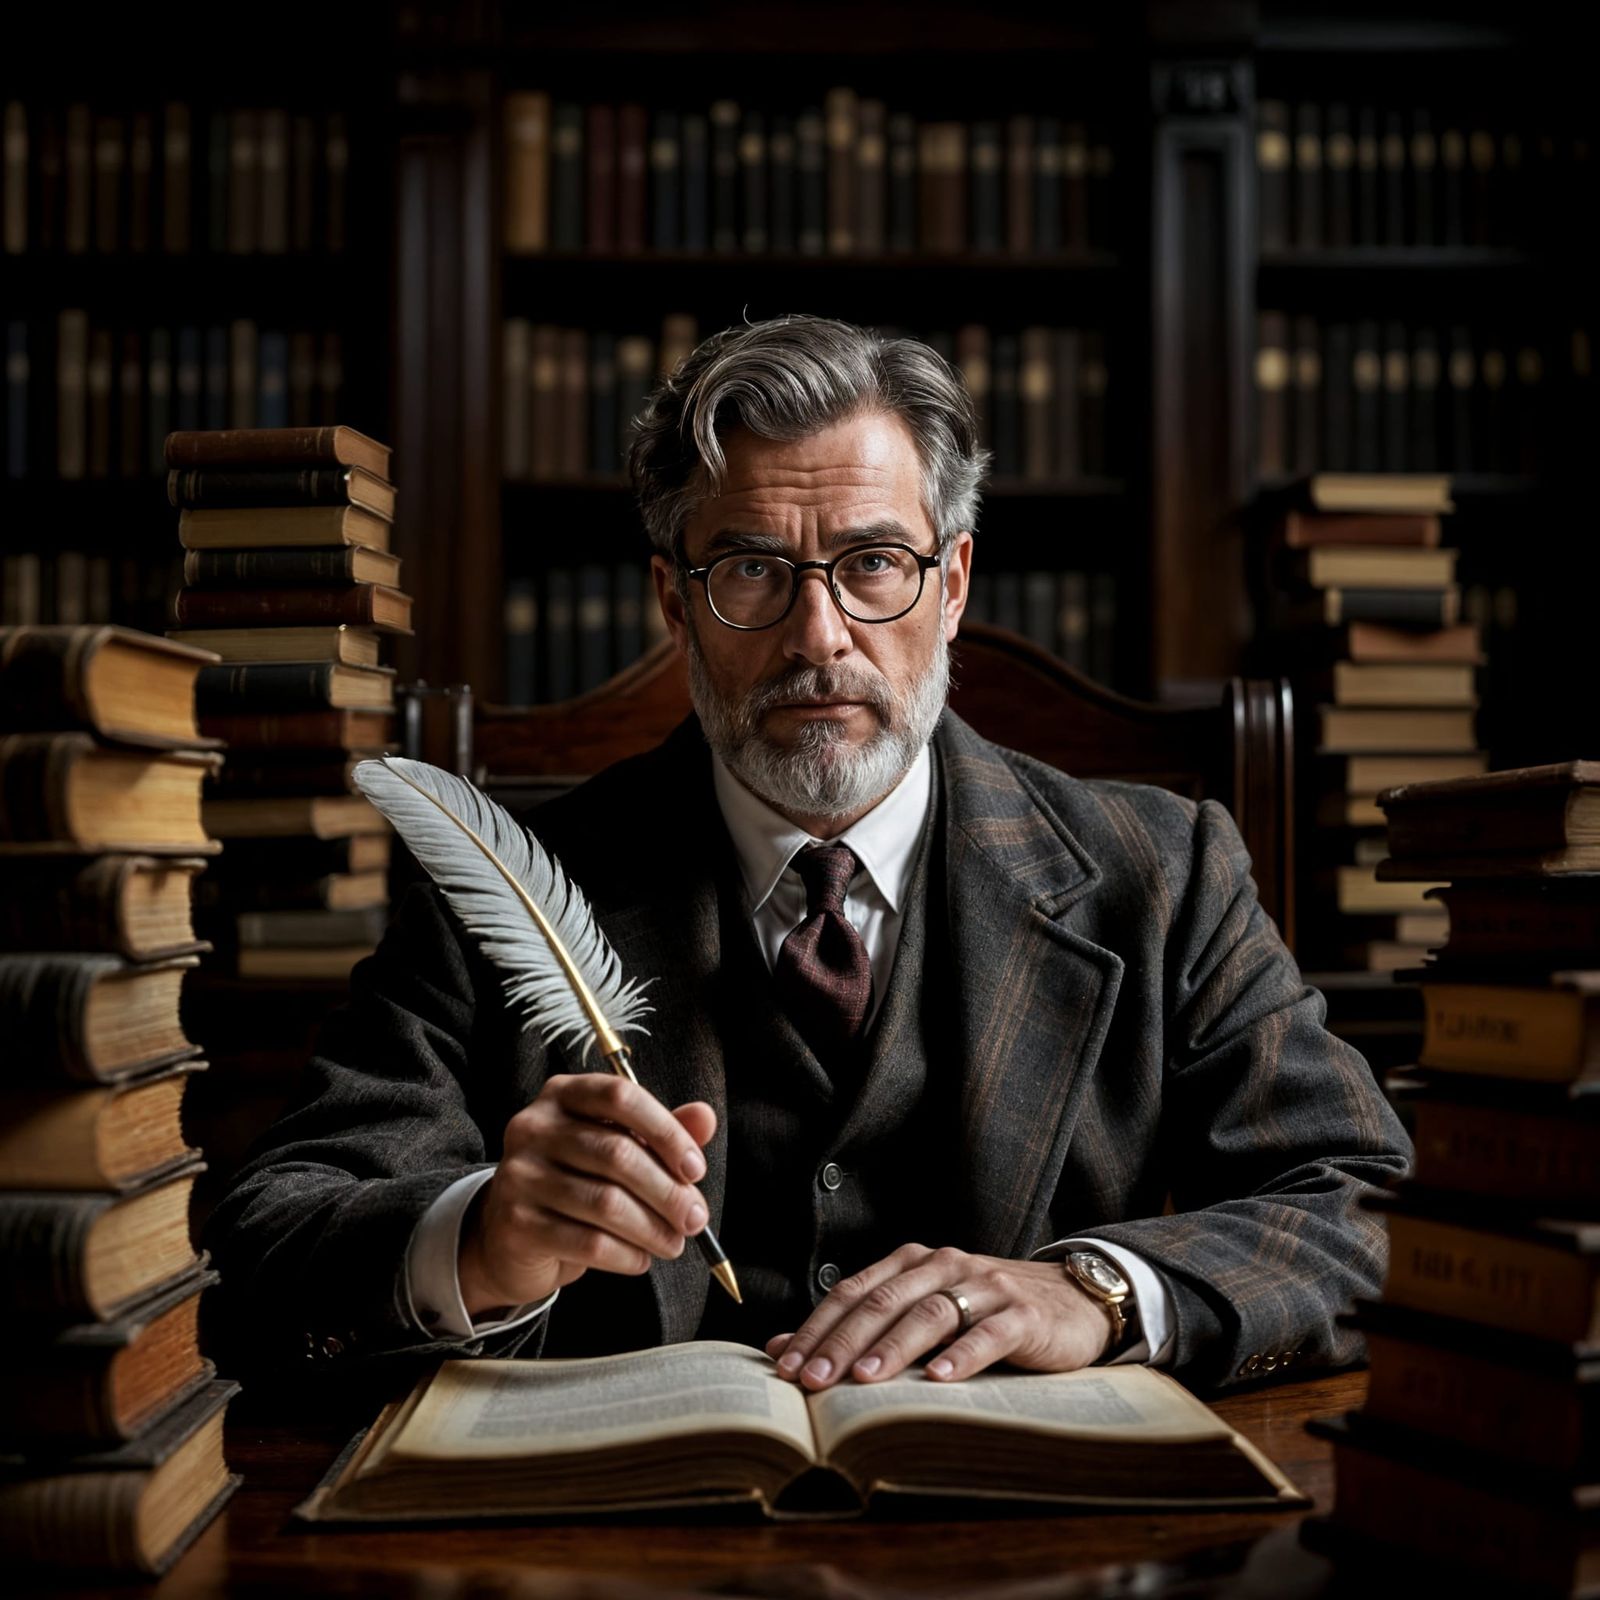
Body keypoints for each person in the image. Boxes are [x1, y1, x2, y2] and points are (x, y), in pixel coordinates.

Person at [206, 315, 1411, 1395]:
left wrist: (1095, 1292)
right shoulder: (503, 888)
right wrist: (481, 1241)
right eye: (752, 572)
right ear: (675, 603)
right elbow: (269, 1241)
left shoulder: (1166, 873)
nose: (818, 636)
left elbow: (1370, 1205)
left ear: (952, 586)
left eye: (873, 563)